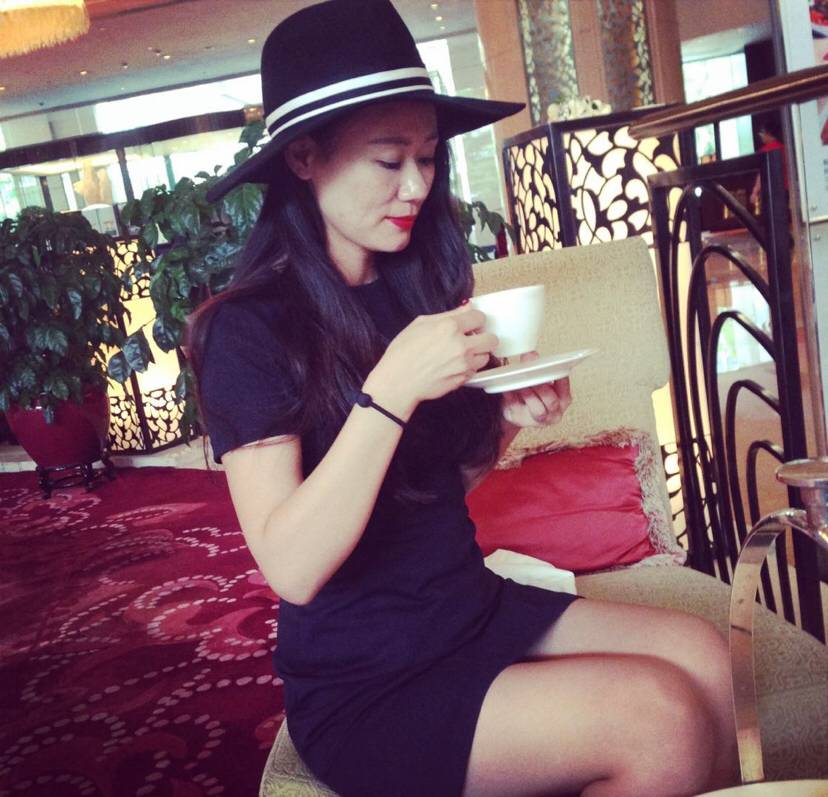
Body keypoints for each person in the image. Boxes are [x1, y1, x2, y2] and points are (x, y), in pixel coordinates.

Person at [190, 2, 738, 795]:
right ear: (304, 156)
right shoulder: (246, 330)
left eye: (427, 157)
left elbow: (438, 488)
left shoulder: (415, 286)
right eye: (389, 160)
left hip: (466, 608)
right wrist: (390, 392)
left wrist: (506, 423)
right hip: (367, 677)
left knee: (709, 659)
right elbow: (293, 566)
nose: (417, 185)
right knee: (661, 718)